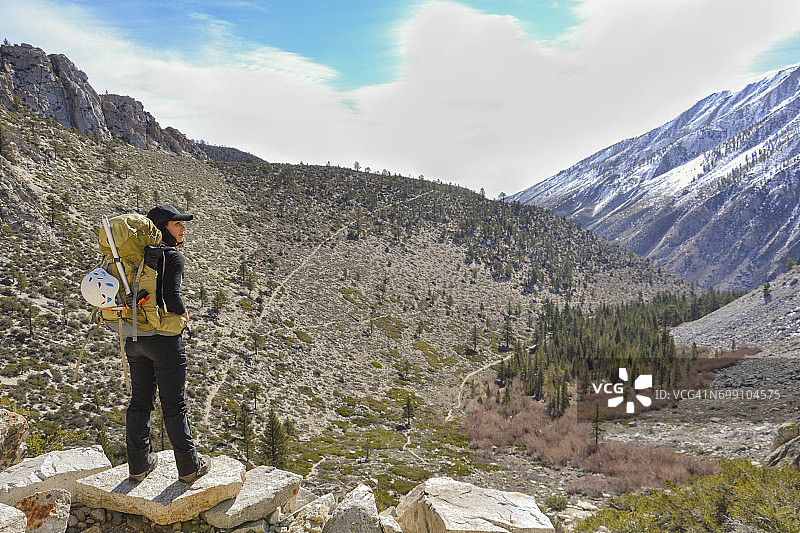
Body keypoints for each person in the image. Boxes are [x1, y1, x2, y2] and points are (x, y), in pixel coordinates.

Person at [125, 204, 210, 483]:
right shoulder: (172, 257)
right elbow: (172, 297)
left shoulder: (136, 256)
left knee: (140, 402)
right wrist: (185, 314)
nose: (183, 228)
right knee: (174, 405)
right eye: (178, 224)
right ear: (163, 227)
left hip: (135, 336)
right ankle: (189, 468)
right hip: (163, 341)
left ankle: (138, 466)